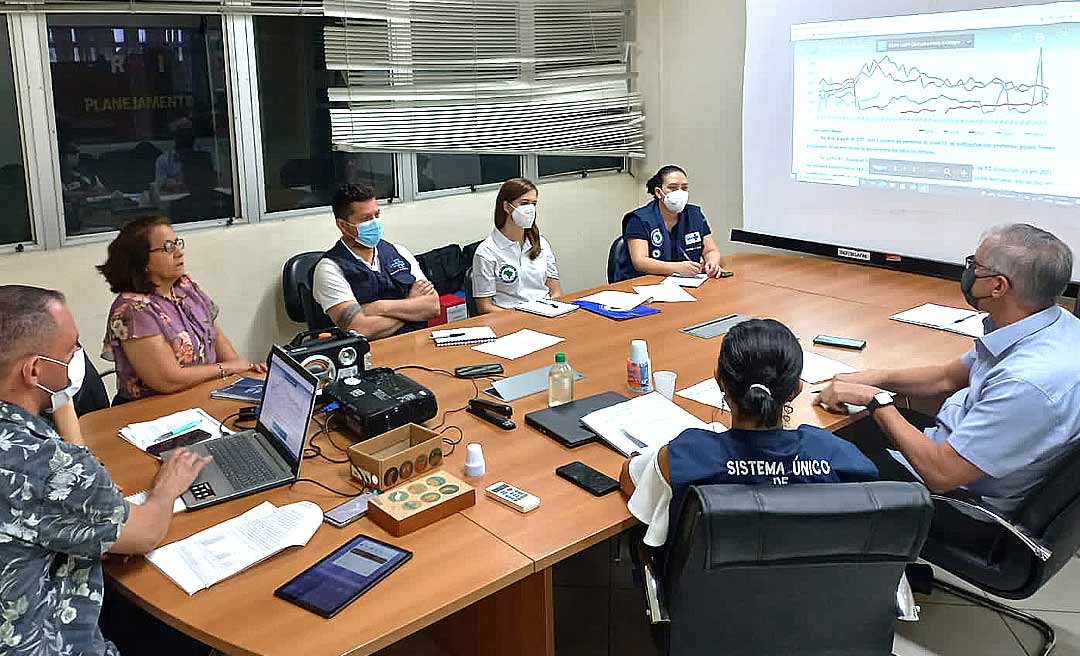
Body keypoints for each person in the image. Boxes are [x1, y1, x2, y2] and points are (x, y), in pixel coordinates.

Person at [0, 285, 211, 655]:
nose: (79, 356)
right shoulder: (40, 463)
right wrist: (167, 486)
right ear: (34, 370)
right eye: (71, 349)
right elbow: (144, 533)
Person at [819, 223, 1080, 520]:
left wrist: (876, 399)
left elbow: (940, 475)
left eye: (975, 265)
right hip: (952, 447)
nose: (968, 270)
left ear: (998, 286)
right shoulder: (1054, 323)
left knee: (811, 460)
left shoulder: (1028, 384)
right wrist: (876, 378)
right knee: (841, 433)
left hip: (961, 501)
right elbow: (946, 377)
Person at [620, 318, 878, 549]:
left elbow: (631, 481)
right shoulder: (835, 454)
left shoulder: (686, 455)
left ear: (718, 379)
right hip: (816, 595)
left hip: (713, 598)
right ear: (796, 390)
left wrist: (641, 461)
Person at [98, 216, 265, 402]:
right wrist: (227, 368)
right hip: (151, 410)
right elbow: (168, 380)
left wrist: (241, 370)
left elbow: (216, 338)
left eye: (177, 244)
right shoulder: (133, 309)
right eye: (168, 248)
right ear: (142, 261)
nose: (179, 253)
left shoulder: (185, 286)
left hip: (203, 394)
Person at [313, 183, 440, 338]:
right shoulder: (329, 269)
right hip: (371, 354)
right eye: (366, 218)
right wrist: (411, 307)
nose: (374, 223)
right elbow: (359, 330)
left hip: (415, 342)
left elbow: (433, 306)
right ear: (342, 225)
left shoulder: (398, 251)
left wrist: (380, 307)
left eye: (377, 215)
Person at [612, 165, 727, 282]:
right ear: (658, 192)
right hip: (640, 285)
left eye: (684, 188)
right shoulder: (639, 219)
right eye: (673, 188)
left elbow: (711, 251)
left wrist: (712, 263)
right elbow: (640, 262)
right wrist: (677, 268)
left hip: (684, 284)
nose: (680, 192)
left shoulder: (694, 215)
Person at [471, 178, 562, 313]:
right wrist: (521, 318)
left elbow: (556, 293)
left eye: (534, 203)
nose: (530, 209)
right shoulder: (486, 252)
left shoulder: (541, 243)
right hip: (509, 320)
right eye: (524, 203)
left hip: (546, 314)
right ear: (507, 207)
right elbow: (485, 307)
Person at [154, 117, 196, 193]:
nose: (186, 135)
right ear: (175, 136)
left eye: (189, 131)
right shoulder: (163, 160)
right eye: (182, 132)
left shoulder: (203, 156)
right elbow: (160, 188)